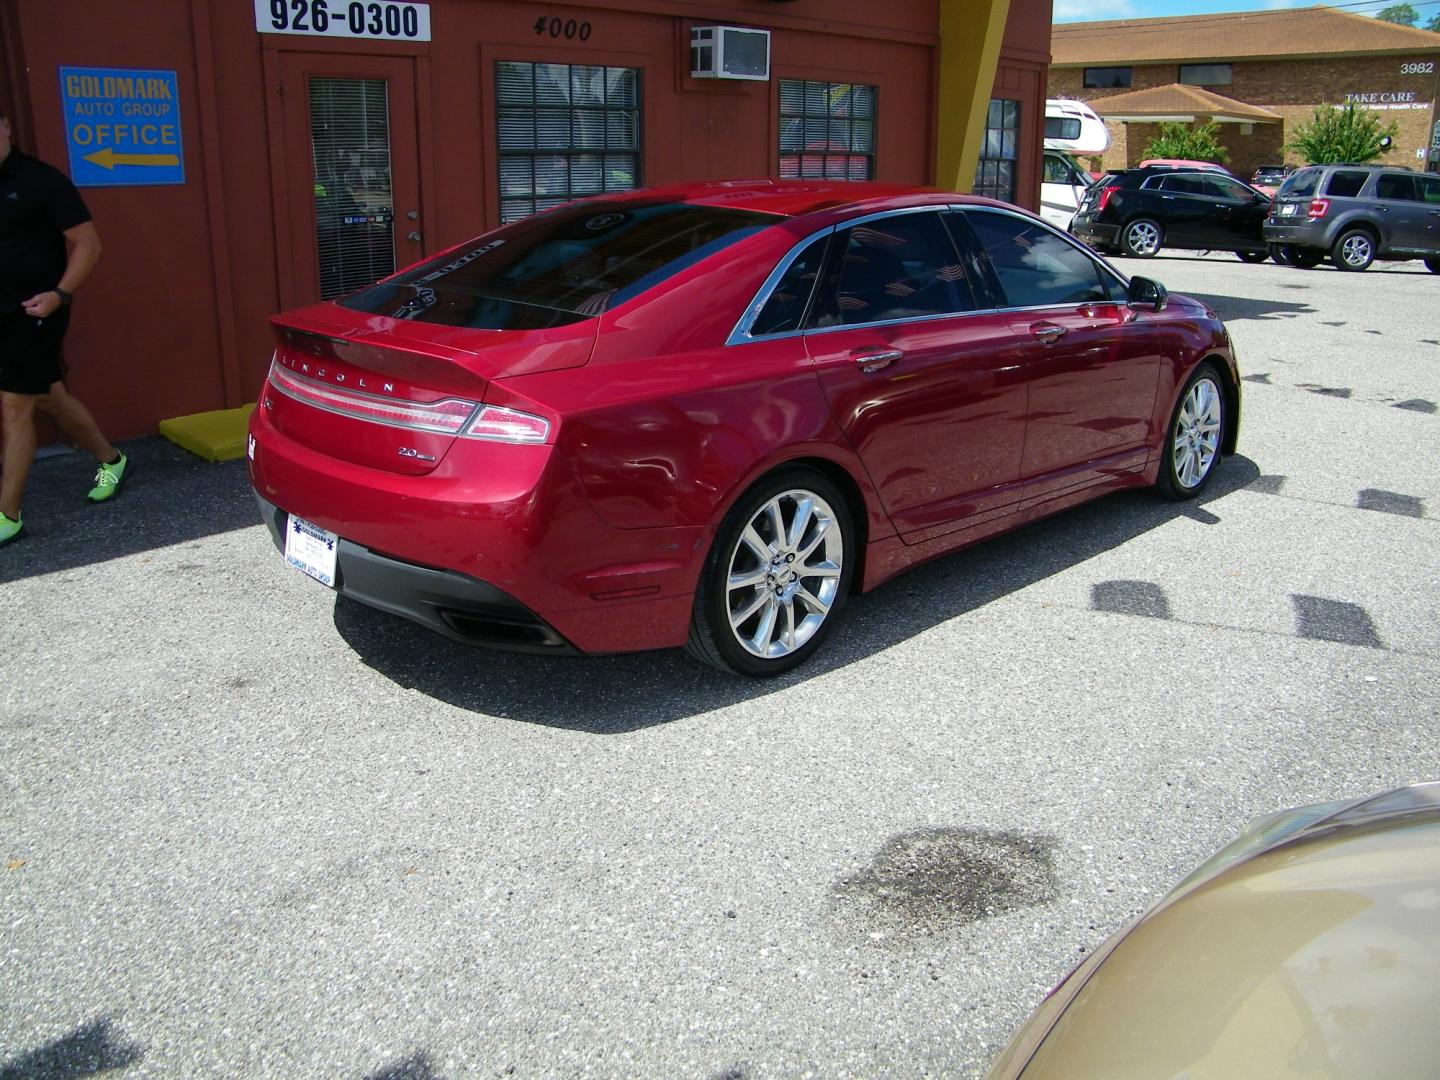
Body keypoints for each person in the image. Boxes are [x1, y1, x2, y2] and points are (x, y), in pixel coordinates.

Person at [0, 105, 128, 546]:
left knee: (15, 407)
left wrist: (59, 295)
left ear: (6, 126)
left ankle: (7, 514)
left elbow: (87, 244)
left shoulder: (40, 180)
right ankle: (110, 459)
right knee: (48, 396)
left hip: (36, 312)